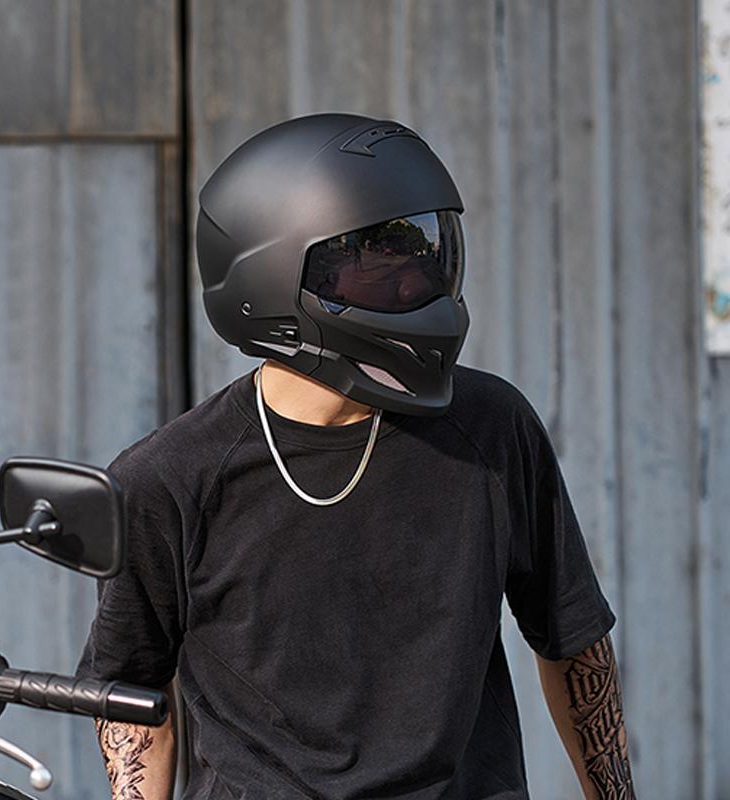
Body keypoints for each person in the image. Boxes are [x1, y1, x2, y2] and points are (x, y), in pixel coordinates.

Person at [76, 113, 635, 800]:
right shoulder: (167, 479)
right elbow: (131, 693)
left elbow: (572, 639)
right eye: (375, 262)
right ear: (273, 278)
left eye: (427, 253)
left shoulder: (492, 429)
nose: (413, 283)